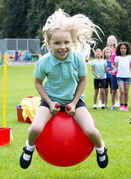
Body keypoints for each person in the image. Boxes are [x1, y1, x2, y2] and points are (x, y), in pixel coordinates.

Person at [19, 9, 108, 169]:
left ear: (72, 41)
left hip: (74, 101)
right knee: (35, 128)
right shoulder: (44, 62)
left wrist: (74, 103)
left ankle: (101, 149)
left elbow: (82, 81)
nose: (62, 47)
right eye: (57, 43)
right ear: (48, 43)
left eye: (66, 42)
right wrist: (49, 103)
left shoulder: (77, 59)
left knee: (91, 131)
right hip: (50, 102)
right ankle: (29, 148)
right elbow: (38, 83)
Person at [114, 42, 131, 111]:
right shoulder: (117, 58)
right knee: (122, 91)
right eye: (121, 48)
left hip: (127, 77)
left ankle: (125, 105)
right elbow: (116, 68)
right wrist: (113, 71)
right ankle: (121, 105)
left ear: (127, 49)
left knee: (126, 92)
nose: (123, 50)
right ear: (119, 49)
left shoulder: (129, 57)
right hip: (119, 76)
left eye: (124, 48)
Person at [103, 35, 120, 107]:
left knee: (115, 87)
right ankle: (104, 102)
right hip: (107, 69)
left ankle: (117, 101)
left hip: (115, 68)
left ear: (115, 41)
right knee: (105, 88)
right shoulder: (105, 49)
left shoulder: (117, 49)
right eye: (110, 40)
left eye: (112, 40)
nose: (111, 41)